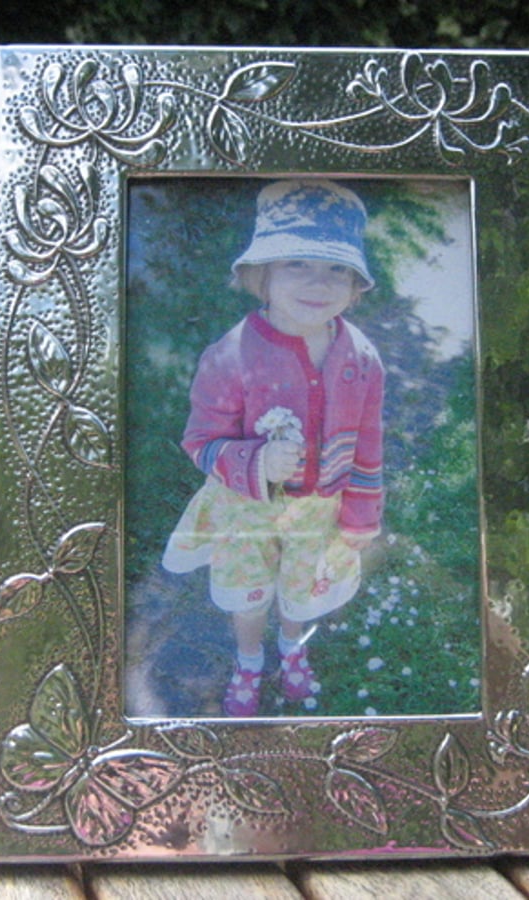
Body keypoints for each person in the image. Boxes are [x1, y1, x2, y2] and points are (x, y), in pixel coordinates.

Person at [162, 179, 384, 717]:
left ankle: (291, 648)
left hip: (319, 507)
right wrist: (256, 461)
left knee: (301, 587)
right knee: (250, 587)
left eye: (337, 269)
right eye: (297, 265)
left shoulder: (362, 358)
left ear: (356, 285)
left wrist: (361, 512)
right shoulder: (231, 355)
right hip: (246, 509)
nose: (319, 283)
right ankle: (248, 659)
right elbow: (200, 441)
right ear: (262, 277)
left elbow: (369, 439)